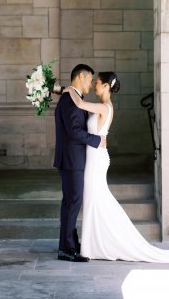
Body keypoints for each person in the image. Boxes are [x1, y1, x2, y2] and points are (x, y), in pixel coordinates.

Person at [64, 71, 169, 263]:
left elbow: (80, 104)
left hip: (97, 160)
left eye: (98, 83)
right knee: (94, 200)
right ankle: (92, 245)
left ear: (107, 86)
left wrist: (66, 90)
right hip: (94, 157)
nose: (95, 86)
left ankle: (97, 245)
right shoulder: (102, 107)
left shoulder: (104, 107)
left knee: (95, 199)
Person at [53, 64, 107, 262]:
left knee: (72, 202)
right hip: (71, 160)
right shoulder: (69, 100)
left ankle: (68, 244)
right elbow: (74, 131)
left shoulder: (70, 97)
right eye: (90, 79)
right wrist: (96, 141)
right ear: (81, 76)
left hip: (73, 159)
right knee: (72, 203)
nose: (91, 83)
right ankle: (66, 249)